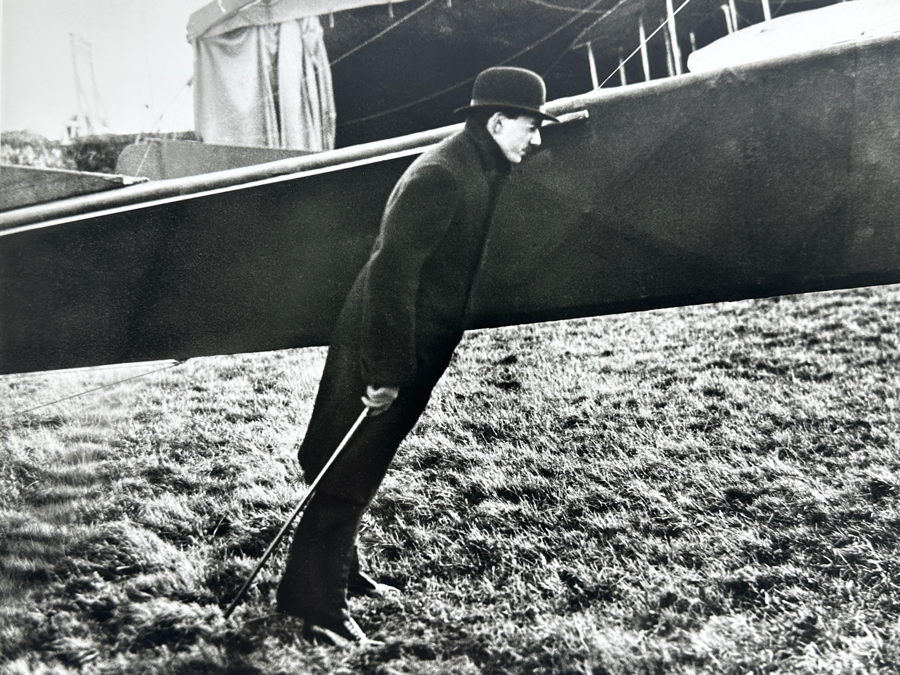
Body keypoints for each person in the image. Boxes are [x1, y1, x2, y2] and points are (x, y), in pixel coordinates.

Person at [276, 66, 557, 646]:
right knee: (344, 471)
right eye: (530, 127)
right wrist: (384, 372)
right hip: (383, 342)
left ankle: (343, 576)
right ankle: (311, 607)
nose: (537, 140)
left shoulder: (476, 163)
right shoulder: (444, 175)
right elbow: (391, 276)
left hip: (404, 342)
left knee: (355, 463)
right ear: (498, 122)